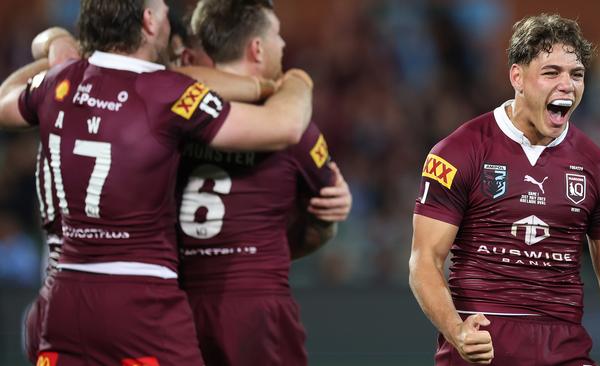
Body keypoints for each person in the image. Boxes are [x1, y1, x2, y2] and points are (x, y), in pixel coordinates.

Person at [0, 0, 316, 365]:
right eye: (164, 9)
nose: (169, 16)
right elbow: (284, 127)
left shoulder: (60, 81)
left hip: (64, 297)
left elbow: (5, 101)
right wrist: (297, 81)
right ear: (149, 21)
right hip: (139, 298)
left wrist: (54, 41)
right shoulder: (166, 93)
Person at [409, 13, 600, 366]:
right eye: (552, 72)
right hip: (482, 352)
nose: (567, 85)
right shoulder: (458, 153)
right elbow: (424, 261)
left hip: (566, 353)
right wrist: (456, 330)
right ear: (517, 77)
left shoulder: (599, 167)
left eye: (576, 74)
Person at [177, 1, 351, 365]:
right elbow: (323, 217)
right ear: (256, 48)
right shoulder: (291, 123)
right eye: (276, 35)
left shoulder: (171, 112)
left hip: (175, 301)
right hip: (257, 304)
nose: (283, 44)